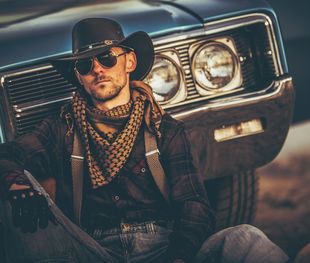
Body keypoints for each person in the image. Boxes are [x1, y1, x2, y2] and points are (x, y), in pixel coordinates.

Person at [0, 18, 289, 263]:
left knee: (244, 238)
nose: (98, 69)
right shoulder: (61, 128)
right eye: (86, 65)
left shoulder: (164, 128)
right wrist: (16, 179)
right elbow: (8, 155)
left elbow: (195, 205)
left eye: (107, 58)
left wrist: (178, 256)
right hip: (91, 248)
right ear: (79, 77)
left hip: (162, 243)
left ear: (129, 61)